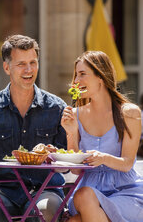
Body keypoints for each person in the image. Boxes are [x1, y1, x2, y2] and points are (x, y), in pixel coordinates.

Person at [0, 34, 67, 222]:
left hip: (45, 190)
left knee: (45, 211)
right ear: (6, 67)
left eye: (33, 62)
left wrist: (54, 155)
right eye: (21, 64)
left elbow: (66, 162)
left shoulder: (57, 108)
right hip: (2, 190)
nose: (29, 70)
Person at [61, 51, 143, 222]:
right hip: (87, 192)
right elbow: (75, 169)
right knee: (84, 196)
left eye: (82, 74)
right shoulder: (75, 115)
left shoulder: (129, 113)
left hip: (124, 192)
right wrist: (70, 131)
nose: (76, 81)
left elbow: (127, 163)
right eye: (76, 75)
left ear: (101, 77)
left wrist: (103, 158)